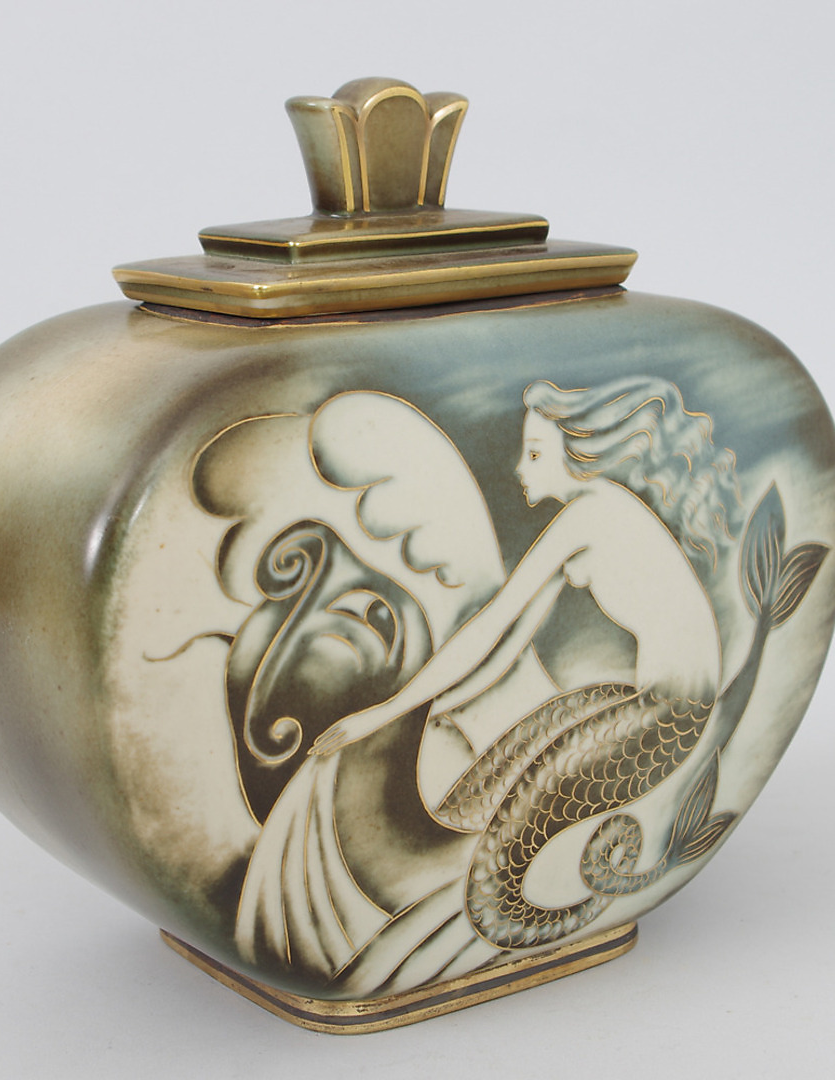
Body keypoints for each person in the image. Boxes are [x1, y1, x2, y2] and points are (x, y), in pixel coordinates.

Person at [310, 376, 741, 951]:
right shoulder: (593, 513)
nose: (520, 467)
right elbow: (506, 641)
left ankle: (552, 905)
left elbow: (491, 623)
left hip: (671, 714)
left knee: (495, 883)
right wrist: (431, 705)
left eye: (535, 453)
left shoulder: (589, 515)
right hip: (648, 700)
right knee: (486, 786)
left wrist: (381, 713)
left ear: (577, 455)